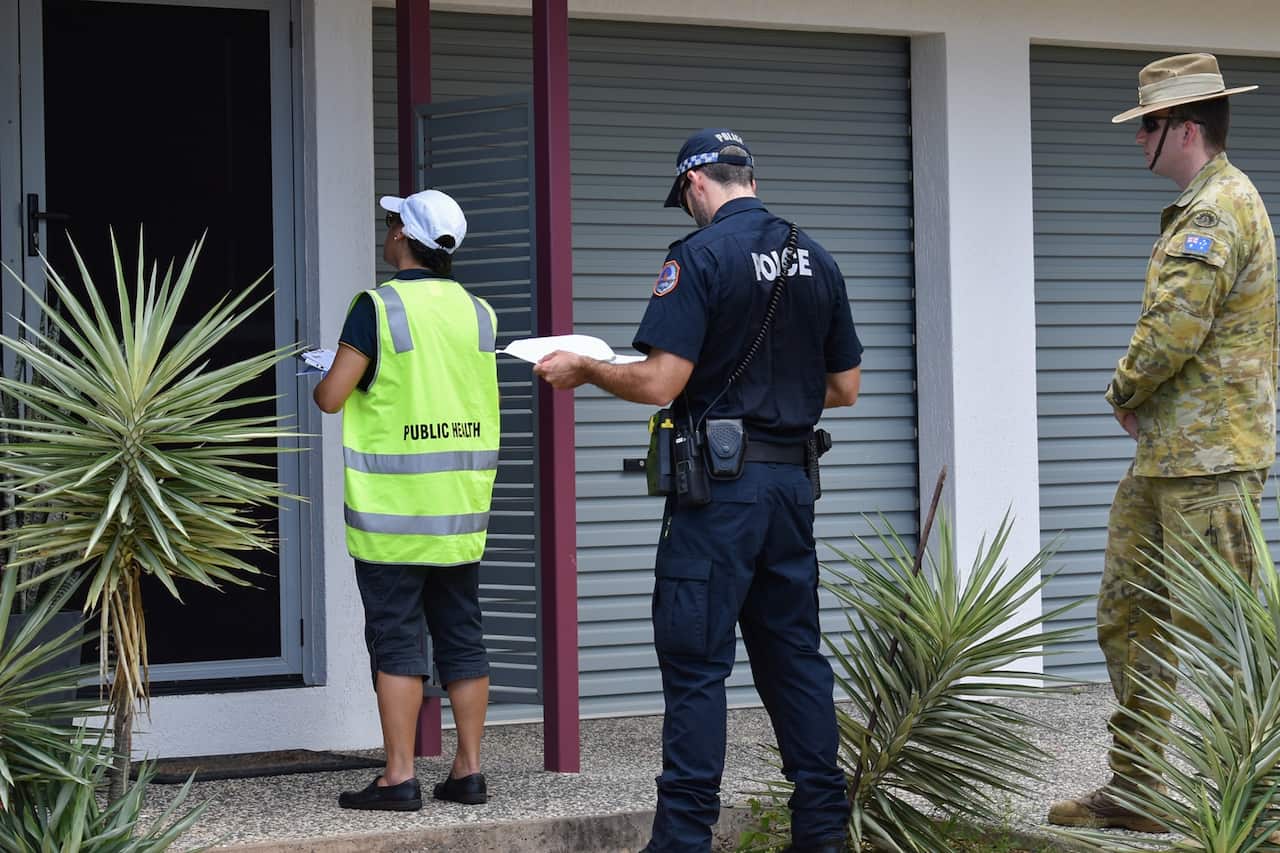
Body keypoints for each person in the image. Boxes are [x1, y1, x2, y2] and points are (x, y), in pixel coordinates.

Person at [534, 129, 862, 853]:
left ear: (696, 185)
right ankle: (823, 833)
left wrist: (587, 368)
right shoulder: (818, 255)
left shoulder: (699, 257)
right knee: (795, 658)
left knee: (695, 664)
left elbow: (659, 382)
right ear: (748, 175)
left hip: (719, 495)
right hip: (790, 488)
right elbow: (844, 388)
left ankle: (682, 839)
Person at [1048, 54, 1277, 831]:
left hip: (1210, 463)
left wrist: (1123, 388)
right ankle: (1140, 787)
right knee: (1130, 616)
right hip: (1171, 459)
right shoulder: (1200, 204)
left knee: (1234, 635)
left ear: (1182, 127)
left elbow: (1174, 330)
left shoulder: (1216, 209)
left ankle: (1268, 801)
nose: (1135, 137)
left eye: (1144, 124)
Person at [313, 189, 500, 812]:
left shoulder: (376, 306)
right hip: (458, 510)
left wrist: (328, 369)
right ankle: (468, 772)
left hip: (393, 516)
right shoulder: (478, 312)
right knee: (462, 635)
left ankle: (399, 777)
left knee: (397, 639)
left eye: (391, 223)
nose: (386, 231)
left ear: (403, 237)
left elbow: (332, 396)